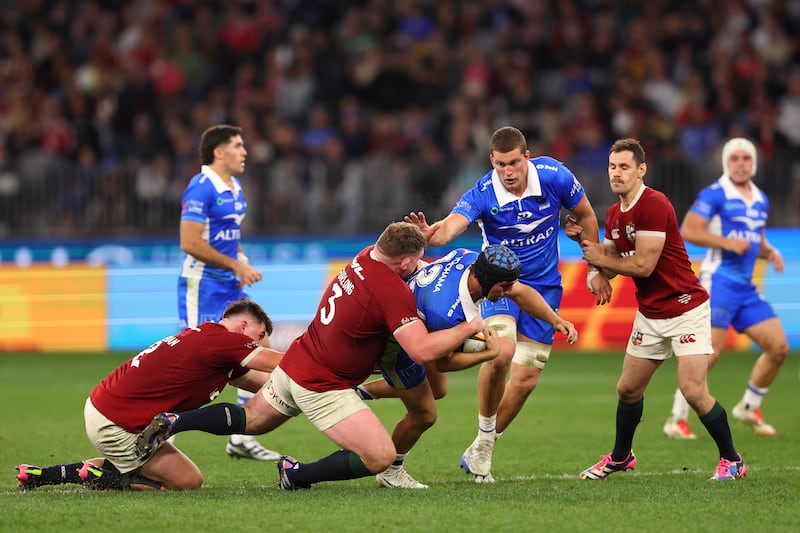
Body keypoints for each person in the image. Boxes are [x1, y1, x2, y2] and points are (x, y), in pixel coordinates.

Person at [135, 222, 491, 490]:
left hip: (296, 362)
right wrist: (466, 327)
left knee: (251, 420)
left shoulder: (366, 254)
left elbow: (402, 261)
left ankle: (176, 421)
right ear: (403, 262)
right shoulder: (392, 290)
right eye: (414, 263)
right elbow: (420, 350)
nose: (418, 267)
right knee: (379, 456)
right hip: (323, 384)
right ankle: (297, 474)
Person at [403, 125, 610, 482]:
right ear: (492, 161)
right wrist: (431, 235)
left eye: (514, 162)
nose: (508, 172)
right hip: (498, 286)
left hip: (545, 286)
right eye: (500, 164)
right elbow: (452, 225)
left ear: (526, 157)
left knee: (526, 379)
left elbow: (588, 215)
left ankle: (484, 443)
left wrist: (595, 267)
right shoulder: (484, 192)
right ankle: (484, 441)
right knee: (500, 353)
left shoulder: (555, 177)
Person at [571, 138, 746, 481]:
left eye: (624, 167)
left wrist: (599, 261)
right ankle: (621, 457)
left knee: (694, 391)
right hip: (651, 314)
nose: (617, 173)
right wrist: (585, 249)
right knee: (627, 389)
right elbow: (608, 263)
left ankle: (732, 460)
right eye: (612, 167)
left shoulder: (653, 204)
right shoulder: (613, 213)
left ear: (641, 170)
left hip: (685, 308)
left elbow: (644, 266)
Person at [360, 244, 579, 488]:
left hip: (412, 325)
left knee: (437, 389)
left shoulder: (472, 259)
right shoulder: (446, 313)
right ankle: (391, 471)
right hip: (390, 344)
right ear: (487, 281)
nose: (507, 292)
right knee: (425, 414)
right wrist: (488, 354)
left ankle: (359, 392)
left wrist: (555, 320)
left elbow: (520, 291)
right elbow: (443, 362)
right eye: (504, 287)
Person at [15, 299, 281, 491]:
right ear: (243, 324)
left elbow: (264, 383)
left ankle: (43, 474)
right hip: (119, 424)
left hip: (107, 410)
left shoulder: (211, 342)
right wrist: (315, 364)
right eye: (258, 336)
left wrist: (298, 392)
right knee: (187, 481)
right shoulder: (226, 341)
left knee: (134, 461)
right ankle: (106, 481)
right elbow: (278, 363)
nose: (256, 344)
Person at [662, 137, 789, 439]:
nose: (741, 164)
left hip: (746, 288)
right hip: (719, 281)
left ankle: (748, 406)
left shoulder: (759, 198)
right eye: (735, 159)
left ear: (754, 163)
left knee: (778, 347)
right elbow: (689, 229)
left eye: (746, 158)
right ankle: (676, 417)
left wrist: (769, 251)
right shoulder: (715, 194)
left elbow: (754, 240)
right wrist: (725, 242)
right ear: (726, 163)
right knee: (711, 352)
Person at [178, 124, 279, 461]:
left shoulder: (234, 187)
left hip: (230, 288)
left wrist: (240, 260)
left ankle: (240, 437)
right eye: (237, 145)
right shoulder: (201, 187)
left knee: (258, 348)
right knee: (192, 364)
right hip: (203, 287)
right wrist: (235, 266)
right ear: (218, 152)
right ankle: (159, 436)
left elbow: (227, 238)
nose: (244, 151)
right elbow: (189, 241)